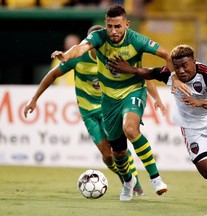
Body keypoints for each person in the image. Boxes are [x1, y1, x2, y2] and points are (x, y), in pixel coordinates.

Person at [107, 44, 207, 209]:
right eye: (177, 67)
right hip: (191, 127)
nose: (181, 70)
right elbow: (148, 72)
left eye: (185, 65)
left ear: (194, 62)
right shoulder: (169, 74)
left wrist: (200, 102)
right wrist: (129, 69)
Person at [51, 4, 174, 201]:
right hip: (108, 99)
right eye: (110, 26)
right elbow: (80, 48)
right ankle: (128, 182)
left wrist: (173, 79)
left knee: (131, 129)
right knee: (118, 152)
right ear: (105, 25)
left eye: (117, 26)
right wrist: (65, 56)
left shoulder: (137, 40)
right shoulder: (99, 38)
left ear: (126, 24)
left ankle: (156, 178)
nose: (113, 31)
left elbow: (167, 55)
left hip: (133, 91)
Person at [24, 25, 164, 196]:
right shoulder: (78, 58)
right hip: (88, 111)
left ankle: (135, 183)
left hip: (110, 106)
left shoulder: (113, 57)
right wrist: (34, 99)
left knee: (119, 147)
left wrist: (156, 98)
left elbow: (141, 74)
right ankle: (126, 177)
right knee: (107, 155)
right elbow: (53, 74)